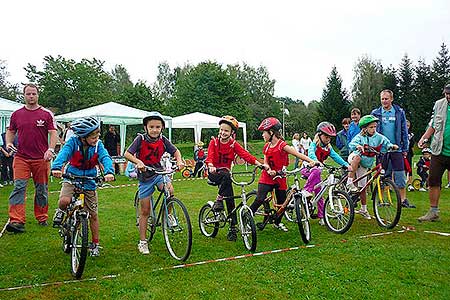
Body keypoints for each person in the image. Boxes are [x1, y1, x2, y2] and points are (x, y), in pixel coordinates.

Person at [51, 117, 115, 256]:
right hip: (72, 178)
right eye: (93, 136)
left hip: (89, 180)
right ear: (83, 136)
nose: (96, 138)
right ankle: (61, 211)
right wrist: (56, 167)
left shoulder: (99, 145)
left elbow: (105, 158)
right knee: (65, 201)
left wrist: (109, 171)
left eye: (97, 135)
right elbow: (63, 154)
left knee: (93, 214)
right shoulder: (72, 143)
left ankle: (95, 244)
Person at [124, 112, 183, 255]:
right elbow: (127, 153)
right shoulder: (140, 139)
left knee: (170, 190)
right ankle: (143, 241)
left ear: (162, 127)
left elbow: (176, 151)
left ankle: (169, 215)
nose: (155, 130)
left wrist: (179, 160)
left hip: (159, 173)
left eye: (158, 127)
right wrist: (138, 162)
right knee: (145, 211)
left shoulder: (163, 139)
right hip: (145, 178)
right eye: (152, 127)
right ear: (146, 127)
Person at [5, 84, 57, 233]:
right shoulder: (17, 114)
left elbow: (53, 133)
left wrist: (51, 149)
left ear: (38, 95)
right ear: (24, 95)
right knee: (19, 187)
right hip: (21, 158)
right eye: (28, 94)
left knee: (41, 189)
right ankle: (16, 221)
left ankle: (42, 216)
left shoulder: (46, 114)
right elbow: (11, 131)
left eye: (33, 93)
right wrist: (8, 142)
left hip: (41, 158)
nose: (31, 96)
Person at [249, 117, 317, 231]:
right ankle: (247, 218)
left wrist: (311, 161)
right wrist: (268, 169)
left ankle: (277, 222)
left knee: (282, 203)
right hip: (267, 177)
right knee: (260, 198)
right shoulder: (266, 146)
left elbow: (297, 154)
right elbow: (265, 160)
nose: (262, 135)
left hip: (280, 177)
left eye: (263, 133)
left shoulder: (282, 145)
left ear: (271, 132)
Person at [206, 116, 263, 241]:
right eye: (221, 130)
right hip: (214, 173)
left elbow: (245, 155)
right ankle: (218, 200)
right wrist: (210, 165)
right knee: (226, 175)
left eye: (226, 131)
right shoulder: (214, 142)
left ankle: (233, 228)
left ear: (232, 132)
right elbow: (209, 156)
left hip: (226, 176)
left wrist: (259, 164)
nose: (223, 133)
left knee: (230, 198)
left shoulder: (233, 144)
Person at [347, 115, 398, 219]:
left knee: (363, 188)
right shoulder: (360, 137)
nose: (374, 129)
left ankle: (364, 209)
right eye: (371, 127)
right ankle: (349, 181)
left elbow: (386, 142)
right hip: (355, 158)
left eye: (375, 127)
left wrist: (391, 146)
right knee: (357, 158)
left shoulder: (378, 137)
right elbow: (351, 144)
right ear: (364, 128)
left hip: (366, 164)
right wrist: (358, 146)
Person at [301, 122, 351, 226]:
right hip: (308, 168)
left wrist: (346, 165)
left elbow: (335, 156)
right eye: (326, 136)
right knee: (317, 171)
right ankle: (306, 191)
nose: (328, 139)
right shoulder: (314, 145)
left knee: (320, 194)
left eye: (330, 137)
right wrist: (315, 161)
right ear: (319, 135)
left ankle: (321, 216)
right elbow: (310, 153)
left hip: (317, 171)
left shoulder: (328, 148)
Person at [371, 89, 415, 208]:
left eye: (386, 98)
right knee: (383, 175)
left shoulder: (399, 112)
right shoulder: (375, 113)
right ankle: (382, 200)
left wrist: (405, 147)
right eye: (382, 99)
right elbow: (371, 131)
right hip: (382, 150)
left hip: (397, 149)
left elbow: (404, 130)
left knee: (400, 174)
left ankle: (403, 200)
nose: (384, 101)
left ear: (392, 99)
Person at [417, 83, 450, 222]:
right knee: (433, 180)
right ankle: (433, 212)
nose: (448, 96)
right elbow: (433, 125)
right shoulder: (439, 104)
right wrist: (424, 137)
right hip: (439, 150)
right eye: (446, 94)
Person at [406, 120, 416, 191]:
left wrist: (412, 152)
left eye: (408, 126)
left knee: (409, 168)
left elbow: (412, 145)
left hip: (408, 153)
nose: (406, 127)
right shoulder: (398, 133)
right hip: (400, 152)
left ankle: (409, 184)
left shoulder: (411, 135)